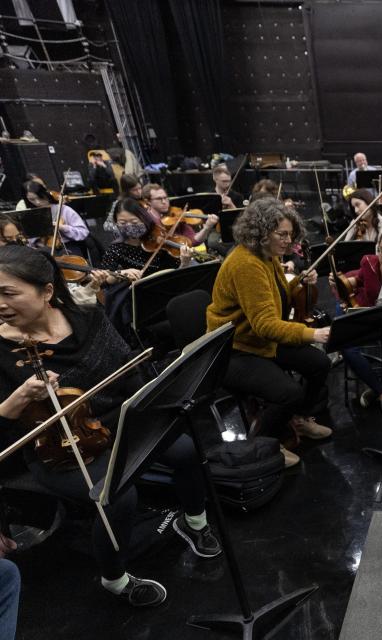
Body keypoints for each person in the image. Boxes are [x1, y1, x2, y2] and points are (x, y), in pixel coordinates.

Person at [0, 245, 222, 606]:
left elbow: (130, 369)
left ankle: (194, 522)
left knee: (185, 447)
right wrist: (18, 400)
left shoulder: (88, 318)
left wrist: (153, 408)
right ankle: (114, 577)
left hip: (118, 421)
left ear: (46, 291)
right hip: (58, 448)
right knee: (116, 495)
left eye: (8, 293)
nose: (0, 304)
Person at [206, 198, 332, 468]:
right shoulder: (246, 264)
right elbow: (265, 323)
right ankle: (264, 444)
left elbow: (277, 297)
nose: (289, 241)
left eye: (290, 234)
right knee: (289, 392)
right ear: (260, 233)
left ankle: (298, 420)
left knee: (320, 364)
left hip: (258, 340)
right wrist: (314, 334)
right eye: (282, 234)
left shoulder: (268, 255)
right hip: (234, 348)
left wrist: (299, 282)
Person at [331, 228, 382, 415]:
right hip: (366, 313)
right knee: (346, 344)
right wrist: (341, 282)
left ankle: (376, 389)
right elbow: (359, 280)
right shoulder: (368, 262)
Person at [22, 181, 90, 254]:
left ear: (45, 194)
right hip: (43, 251)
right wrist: (36, 240)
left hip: (68, 248)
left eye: (40, 197)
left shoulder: (65, 210)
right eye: (32, 199)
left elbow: (84, 233)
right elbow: (30, 242)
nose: (37, 202)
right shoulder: (31, 215)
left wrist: (62, 228)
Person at [143, 184, 219, 247]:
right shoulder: (145, 220)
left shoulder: (176, 216)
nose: (164, 202)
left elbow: (193, 241)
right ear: (148, 201)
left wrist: (207, 228)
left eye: (165, 198)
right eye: (159, 199)